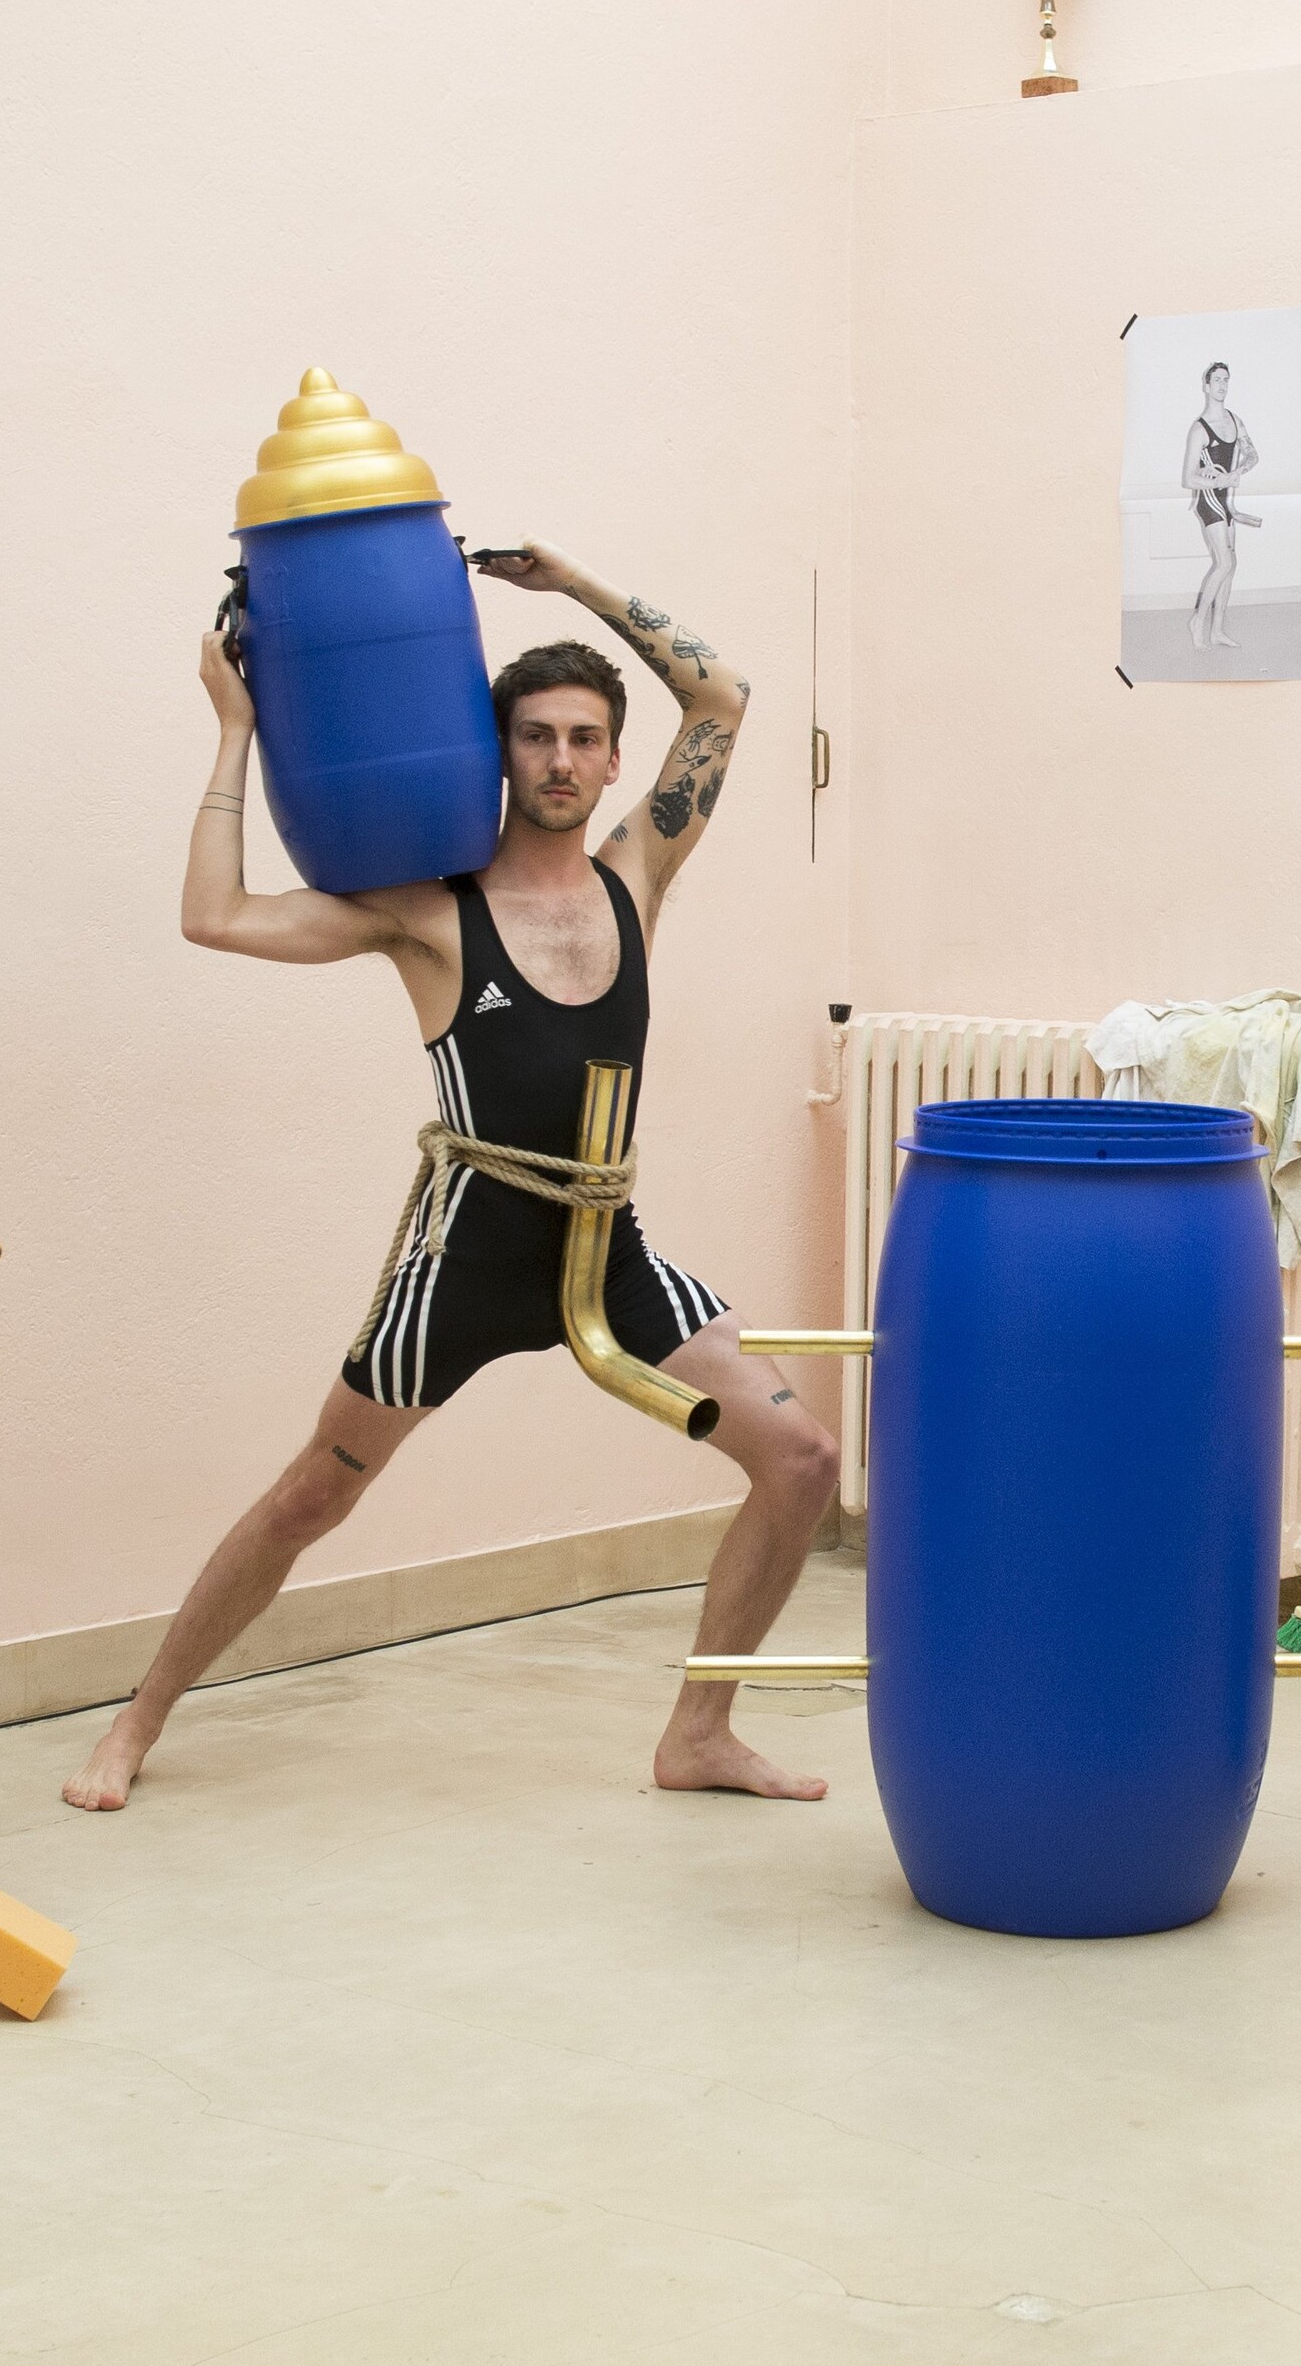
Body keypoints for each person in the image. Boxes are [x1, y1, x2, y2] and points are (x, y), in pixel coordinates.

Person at [63, 543, 838, 1811]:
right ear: (497, 751)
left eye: (587, 739)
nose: (562, 761)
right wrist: (232, 729)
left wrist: (577, 585)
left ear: (610, 757)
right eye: (535, 736)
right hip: (464, 1255)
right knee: (312, 1496)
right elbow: (215, 915)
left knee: (801, 1460)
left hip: (605, 1249)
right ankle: (136, 1722)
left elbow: (724, 698)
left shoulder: (637, 876)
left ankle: (699, 1731)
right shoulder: (429, 912)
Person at [1180, 363, 1263, 650]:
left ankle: (1217, 631)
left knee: (1231, 564)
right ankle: (1197, 621)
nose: (1222, 385)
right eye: (1216, 380)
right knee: (1224, 562)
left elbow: (1252, 454)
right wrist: (1220, 480)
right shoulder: (1198, 429)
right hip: (1209, 501)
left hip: (1227, 501)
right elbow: (1188, 478)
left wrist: (1239, 470)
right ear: (1206, 386)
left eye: (1226, 380)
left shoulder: (1234, 420)